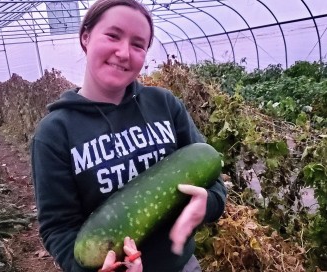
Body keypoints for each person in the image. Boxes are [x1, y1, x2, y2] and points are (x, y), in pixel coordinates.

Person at [30, 0, 227, 271]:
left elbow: (211, 176)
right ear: (86, 37)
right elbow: (58, 228)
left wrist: (208, 204)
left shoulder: (165, 105)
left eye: (138, 44)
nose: (124, 52)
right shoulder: (54, 133)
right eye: (113, 35)